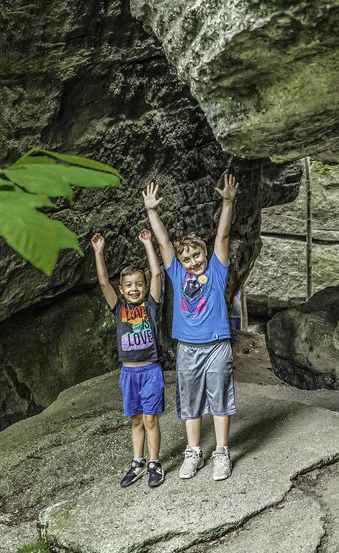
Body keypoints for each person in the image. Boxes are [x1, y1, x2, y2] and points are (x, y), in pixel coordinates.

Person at [143, 174, 238, 481]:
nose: (192, 261)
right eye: (187, 259)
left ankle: (222, 452)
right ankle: (193, 452)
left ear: (205, 254)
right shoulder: (177, 273)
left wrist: (227, 202)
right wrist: (152, 211)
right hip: (187, 347)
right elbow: (164, 243)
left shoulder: (217, 270)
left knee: (220, 397)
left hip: (216, 344)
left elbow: (222, 237)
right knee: (191, 399)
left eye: (197, 255)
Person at [91, 229, 165, 488]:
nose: (135, 289)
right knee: (135, 420)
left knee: (150, 419)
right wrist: (99, 253)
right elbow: (103, 283)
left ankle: (154, 463)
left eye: (139, 284)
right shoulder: (120, 308)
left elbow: (156, 273)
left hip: (151, 371)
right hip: (129, 374)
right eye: (129, 286)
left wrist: (148, 244)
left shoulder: (151, 306)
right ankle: (138, 463)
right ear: (122, 290)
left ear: (145, 288)